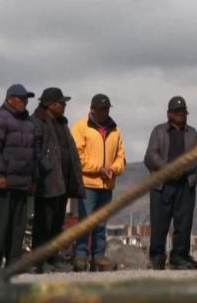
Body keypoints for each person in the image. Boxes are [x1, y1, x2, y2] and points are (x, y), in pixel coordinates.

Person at [0, 84, 38, 271]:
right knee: (0, 224)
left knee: (18, 225)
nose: (25, 102)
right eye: (21, 98)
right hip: (3, 182)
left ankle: (14, 261)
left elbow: (33, 153)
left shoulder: (29, 122)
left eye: (26, 99)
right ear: (10, 99)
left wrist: (33, 179)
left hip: (22, 182)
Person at [145, 96, 197, 270]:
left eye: (183, 112)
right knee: (159, 223)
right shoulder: (158, 131)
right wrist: (169, 169)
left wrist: (182, 171)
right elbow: (150, 156)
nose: (180, 115)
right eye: (177, 112)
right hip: (162, 184)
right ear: (169, 114)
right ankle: (157, 257)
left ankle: (179, 256)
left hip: (185, 184)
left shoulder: (192, 134)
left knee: (184, 223)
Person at [32, 87, 85, 273]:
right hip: (46, 181)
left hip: (62, 181)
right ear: (50, 104)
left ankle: (53, 257)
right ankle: (40, 260)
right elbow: (35, 150)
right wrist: (47, 167)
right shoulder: (38, 122)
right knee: (43, 224)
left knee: (56, 223)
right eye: (61, 103)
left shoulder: (62, 123)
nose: (64, 106)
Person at [71, 93, 125, 272]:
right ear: (92, 109)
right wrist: (98, 169)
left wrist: (113, 169)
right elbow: (78, 156)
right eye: (102, 109)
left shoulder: (115, 129)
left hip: (107, 184)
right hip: (88, 184)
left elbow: (120, 156)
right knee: (85, 221)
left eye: (107, 109)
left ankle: (98, 255)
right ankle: (80, 256)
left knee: (101, 222)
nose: (105, 112)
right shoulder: (80, 127)